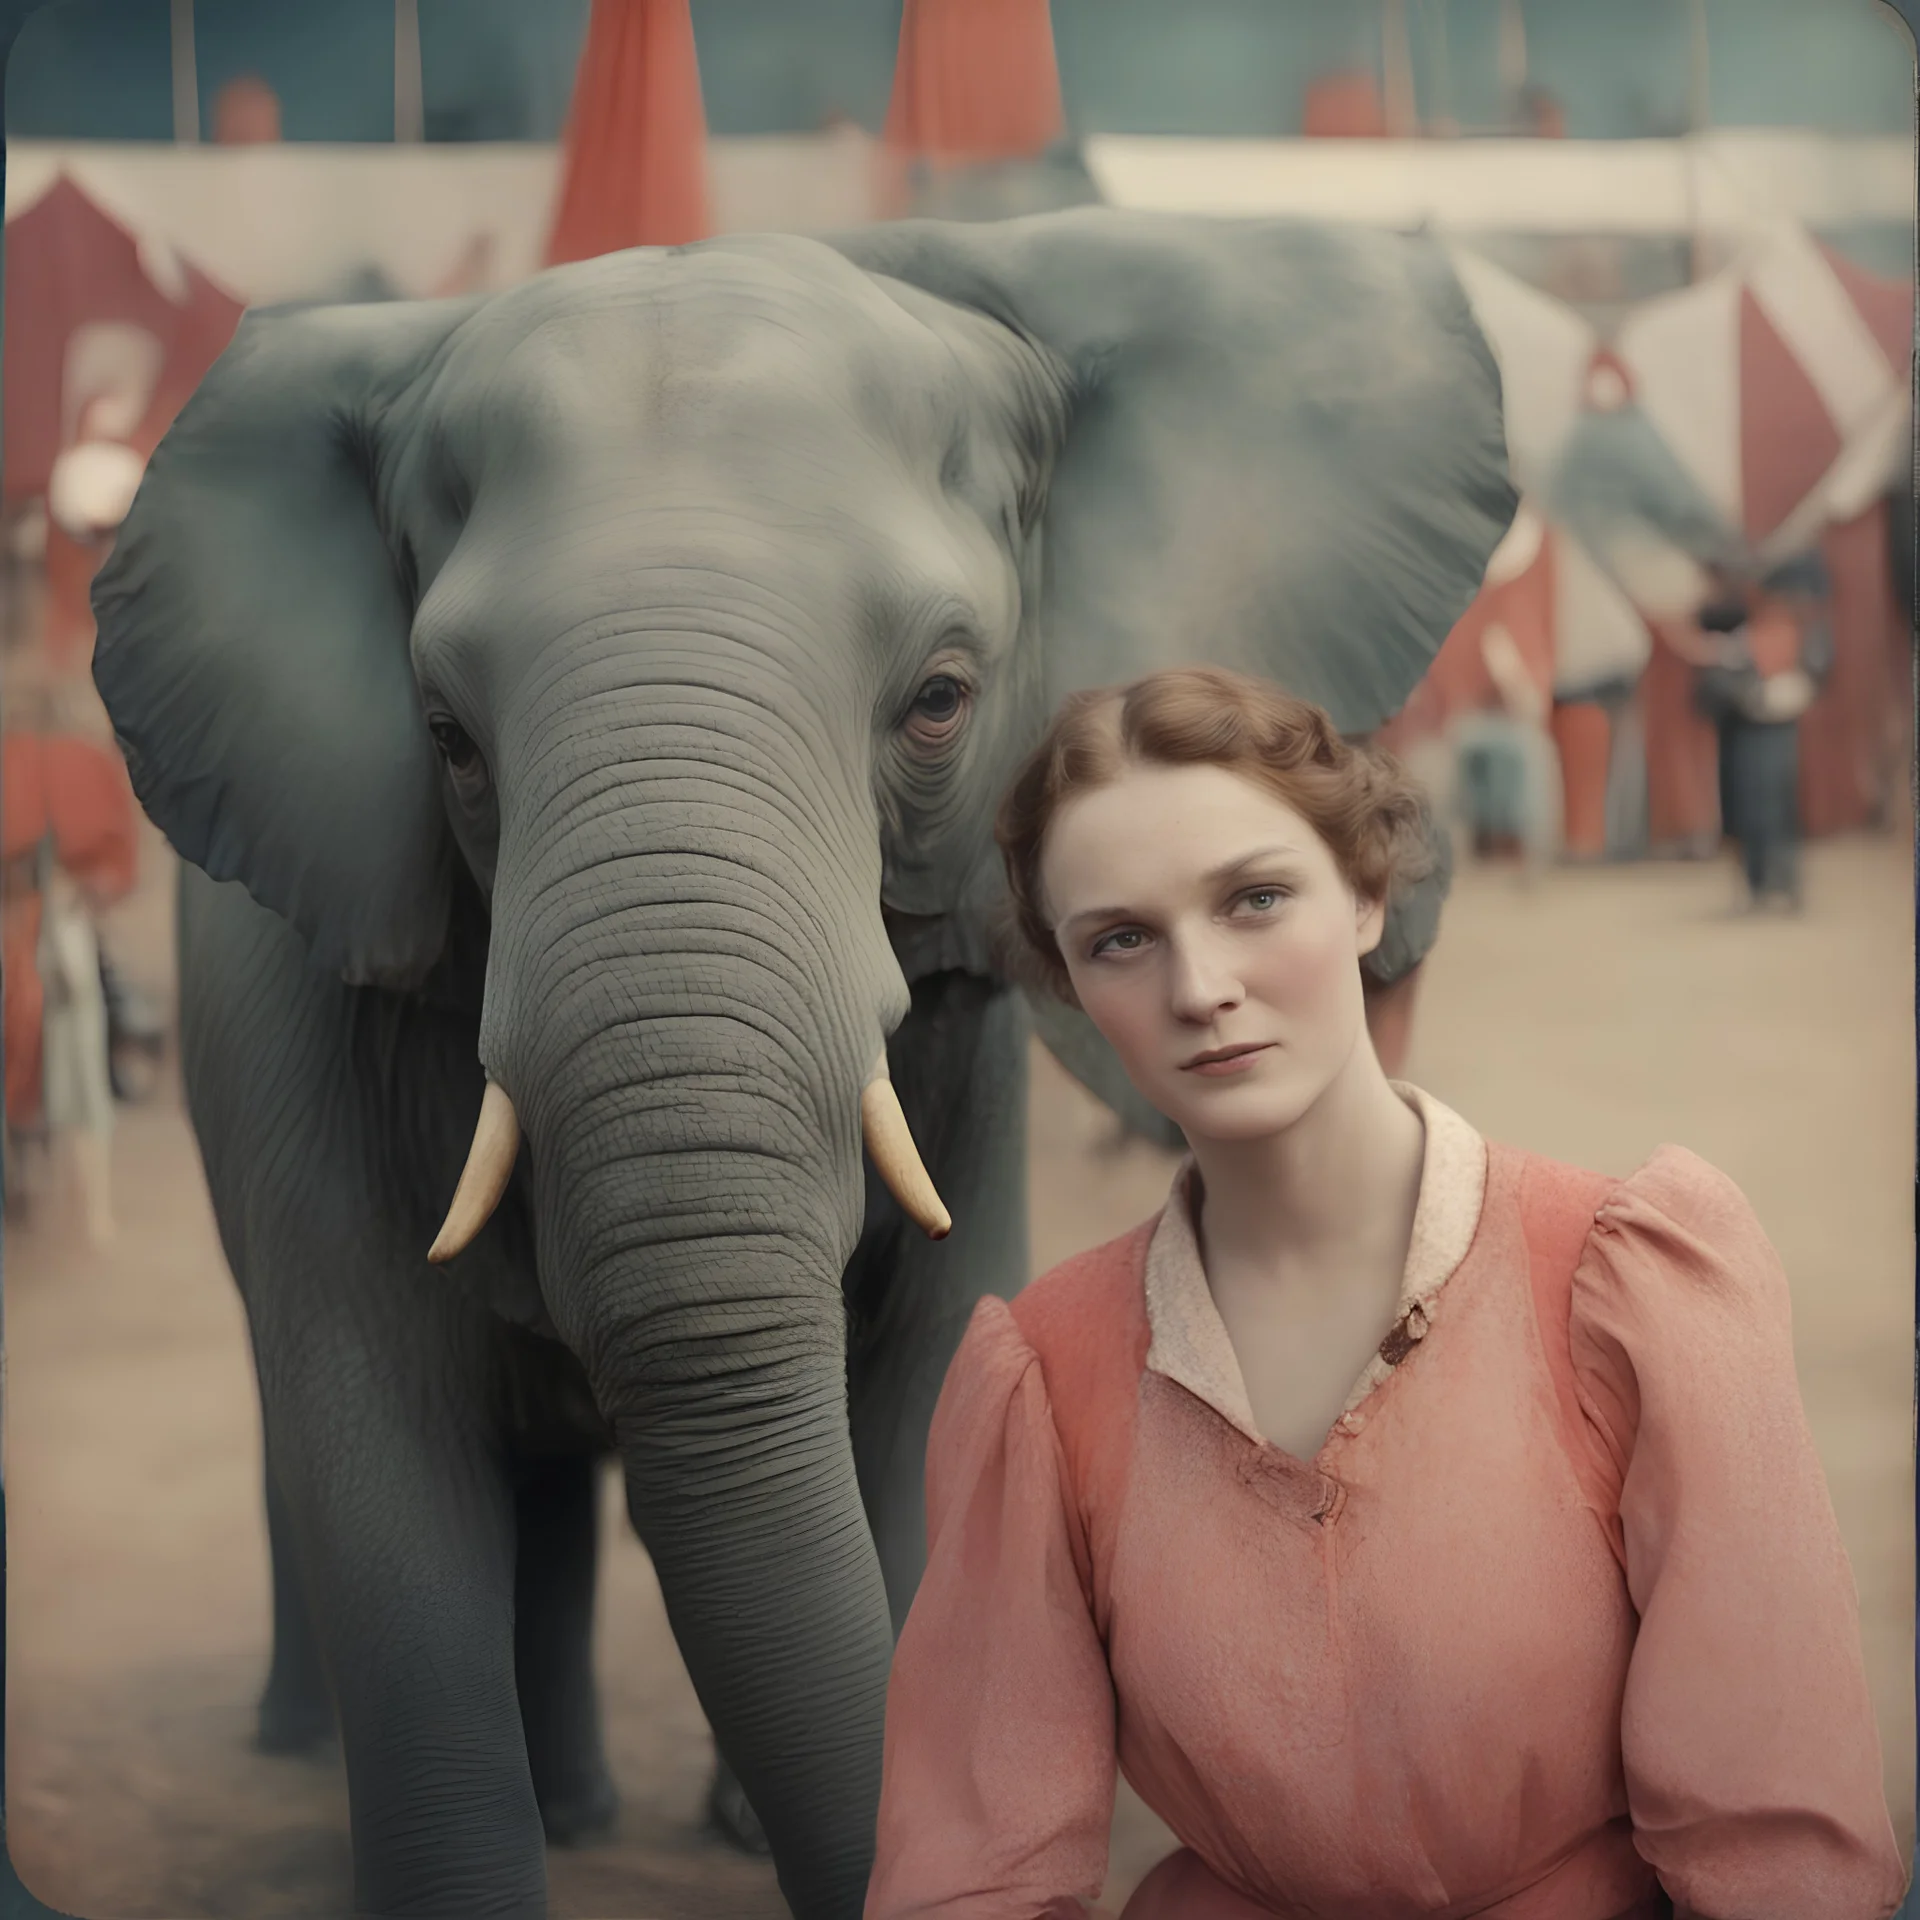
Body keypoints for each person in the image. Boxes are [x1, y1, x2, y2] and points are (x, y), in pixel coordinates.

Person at [865, 665, 1904, 1920]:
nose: (1199, 988)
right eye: (1122, 940)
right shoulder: (1045, 1376)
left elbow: (1778, 1849)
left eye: (1254, 899)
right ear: (1073, 986)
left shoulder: (1628, 1283)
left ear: (1364, 894)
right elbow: (975, 1871)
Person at [1686, 557, 1833, 912]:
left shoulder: (1803, 633)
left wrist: (1788, 691)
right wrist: (1749, 696)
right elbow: (1710, 687)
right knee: (1748, 807)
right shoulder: (1738, 634)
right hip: (1744, 731)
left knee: (1777, 807)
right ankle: (1758, 884)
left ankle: (1781, 884)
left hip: (1777, 731)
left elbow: (1815, 672)